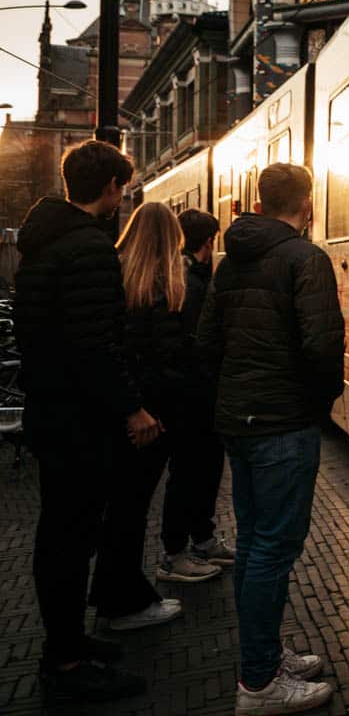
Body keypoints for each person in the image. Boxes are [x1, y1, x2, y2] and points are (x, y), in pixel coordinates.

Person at [197, 162, 345, 716]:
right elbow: (323, 348)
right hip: (284, 425)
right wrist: (316, 407)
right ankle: (259, 683)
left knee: (257, 544)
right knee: (271, 553)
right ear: (305, 202)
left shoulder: (228, 263)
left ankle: (264, 656)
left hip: (240, 422)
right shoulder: (307, 259)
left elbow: (206, 344)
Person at [13, 139, 156, 705]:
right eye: (122, 187)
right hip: (79, 420)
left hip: (51, 410)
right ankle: (66, 664)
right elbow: (96, 346)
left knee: (62, 537)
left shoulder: (42, 244)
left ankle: (67, 644)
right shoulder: (88, 249)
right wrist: (133, 408)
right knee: (71, 540)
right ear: (113, 188)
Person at [90, 202, 213, 626]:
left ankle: (115, 594)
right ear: (169, 236)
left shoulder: (120, 275)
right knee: (131, 508)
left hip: (129, 409)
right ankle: (123, 602)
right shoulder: (163, 285)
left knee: (122, 508)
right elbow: (167, 356)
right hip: (153, 414)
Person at [157, 208, 234, 583]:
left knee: (204, 468)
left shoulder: (191, 274)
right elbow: (194, 340)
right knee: (189, 471)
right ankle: (174, 553)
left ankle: (202, 538)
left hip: (201, 390)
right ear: (208, 241)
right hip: (193, 393)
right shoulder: (190, 280)